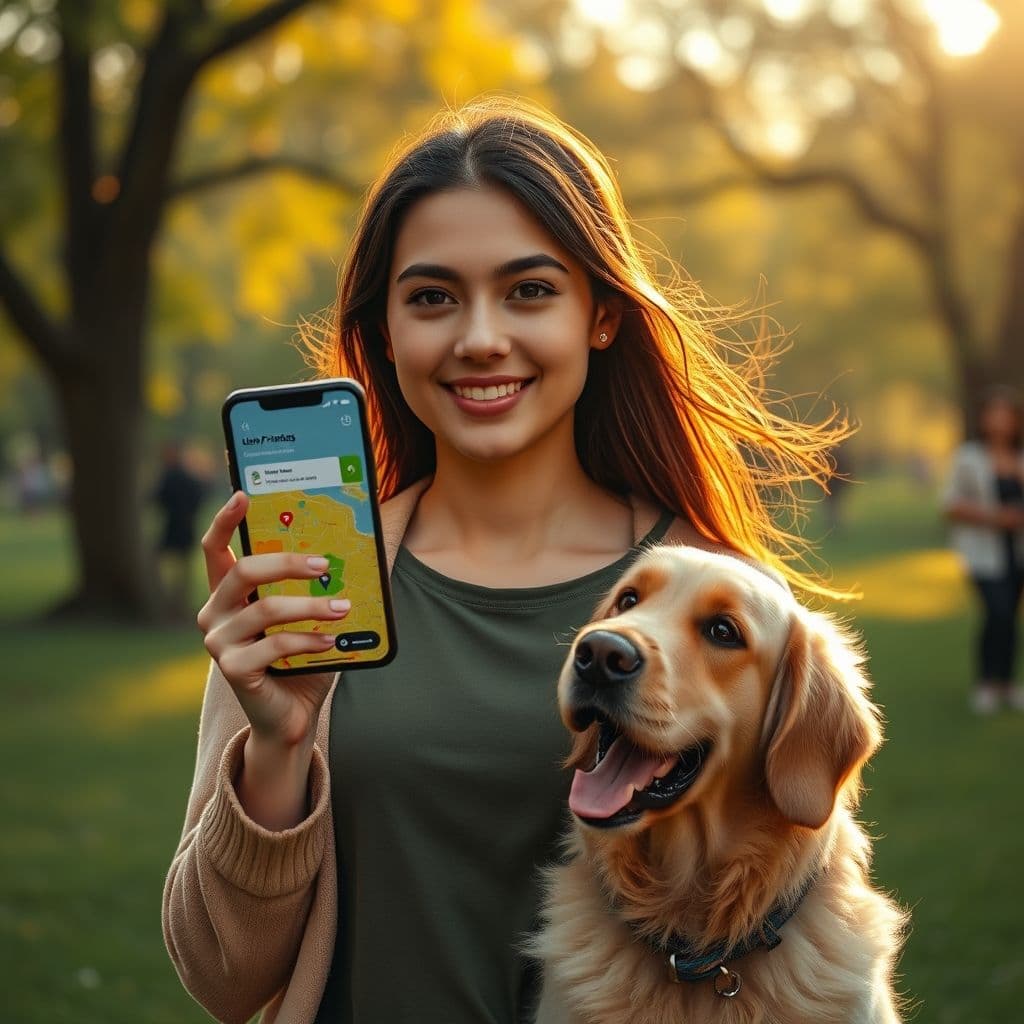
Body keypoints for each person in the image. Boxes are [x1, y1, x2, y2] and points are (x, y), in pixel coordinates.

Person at [162, 96, 853, 1024]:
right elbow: (223, 980)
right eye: (432, 297)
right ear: (386, 332)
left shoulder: (728, 614)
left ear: (601, 315)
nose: (480, 337)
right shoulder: (305, 594)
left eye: (529, 290)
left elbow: (803, 924)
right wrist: (278, 747)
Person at [940, 387, 1024, 713]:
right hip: (982, 553)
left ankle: (1007, 683)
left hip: (1016, 553)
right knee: (996, 612)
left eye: (1007, 414)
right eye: (994, 413)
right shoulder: (969, 457)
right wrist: (995, 517)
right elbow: (950, 504)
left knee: (1010, 618)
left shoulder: (1019, 458)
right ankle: (987, 682)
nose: (1000, 420)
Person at [152, 440, 208, 620]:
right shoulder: (189, 477)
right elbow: (200, 496)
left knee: (172, 566)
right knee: (182, 568)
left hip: (173, 527)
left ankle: (173, 602)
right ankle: (179, 603)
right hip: (186, 526)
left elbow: (157, 498)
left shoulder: (168, 477)